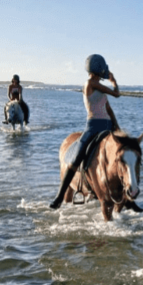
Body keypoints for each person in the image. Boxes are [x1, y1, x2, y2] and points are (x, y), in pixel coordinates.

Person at [49, 54, 121, 210]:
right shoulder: (90, 84)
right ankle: (60, 195)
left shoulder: (101, 91)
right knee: (77, 156)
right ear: (98, 68)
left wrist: (117, 127)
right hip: (94, 126)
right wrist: (113, 81)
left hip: (108, 126)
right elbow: (116, 93)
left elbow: (109, 110)